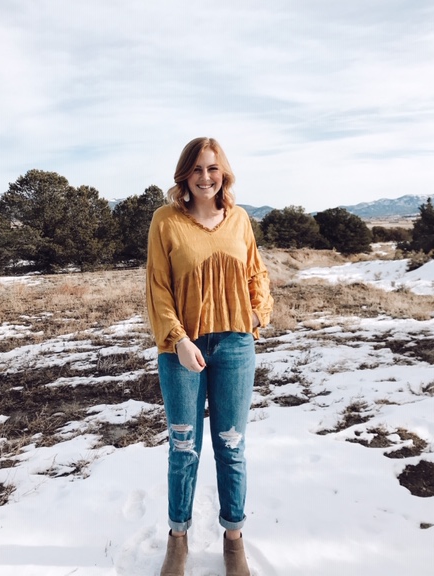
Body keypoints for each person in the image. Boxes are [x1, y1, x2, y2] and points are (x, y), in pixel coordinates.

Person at [146, 137, 273, 576]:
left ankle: (233, 539)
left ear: (224, 174)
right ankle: (177, 538)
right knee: (184, 446)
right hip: (181, 347)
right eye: (197, 169)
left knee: (231, 446)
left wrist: (257, 315)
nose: (205, 177)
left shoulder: (239, 220)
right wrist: (178, 339)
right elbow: (158, 288)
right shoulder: (166, 221)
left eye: (212, 169)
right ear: (185, 174)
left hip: (236, 345)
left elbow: (257, 273)